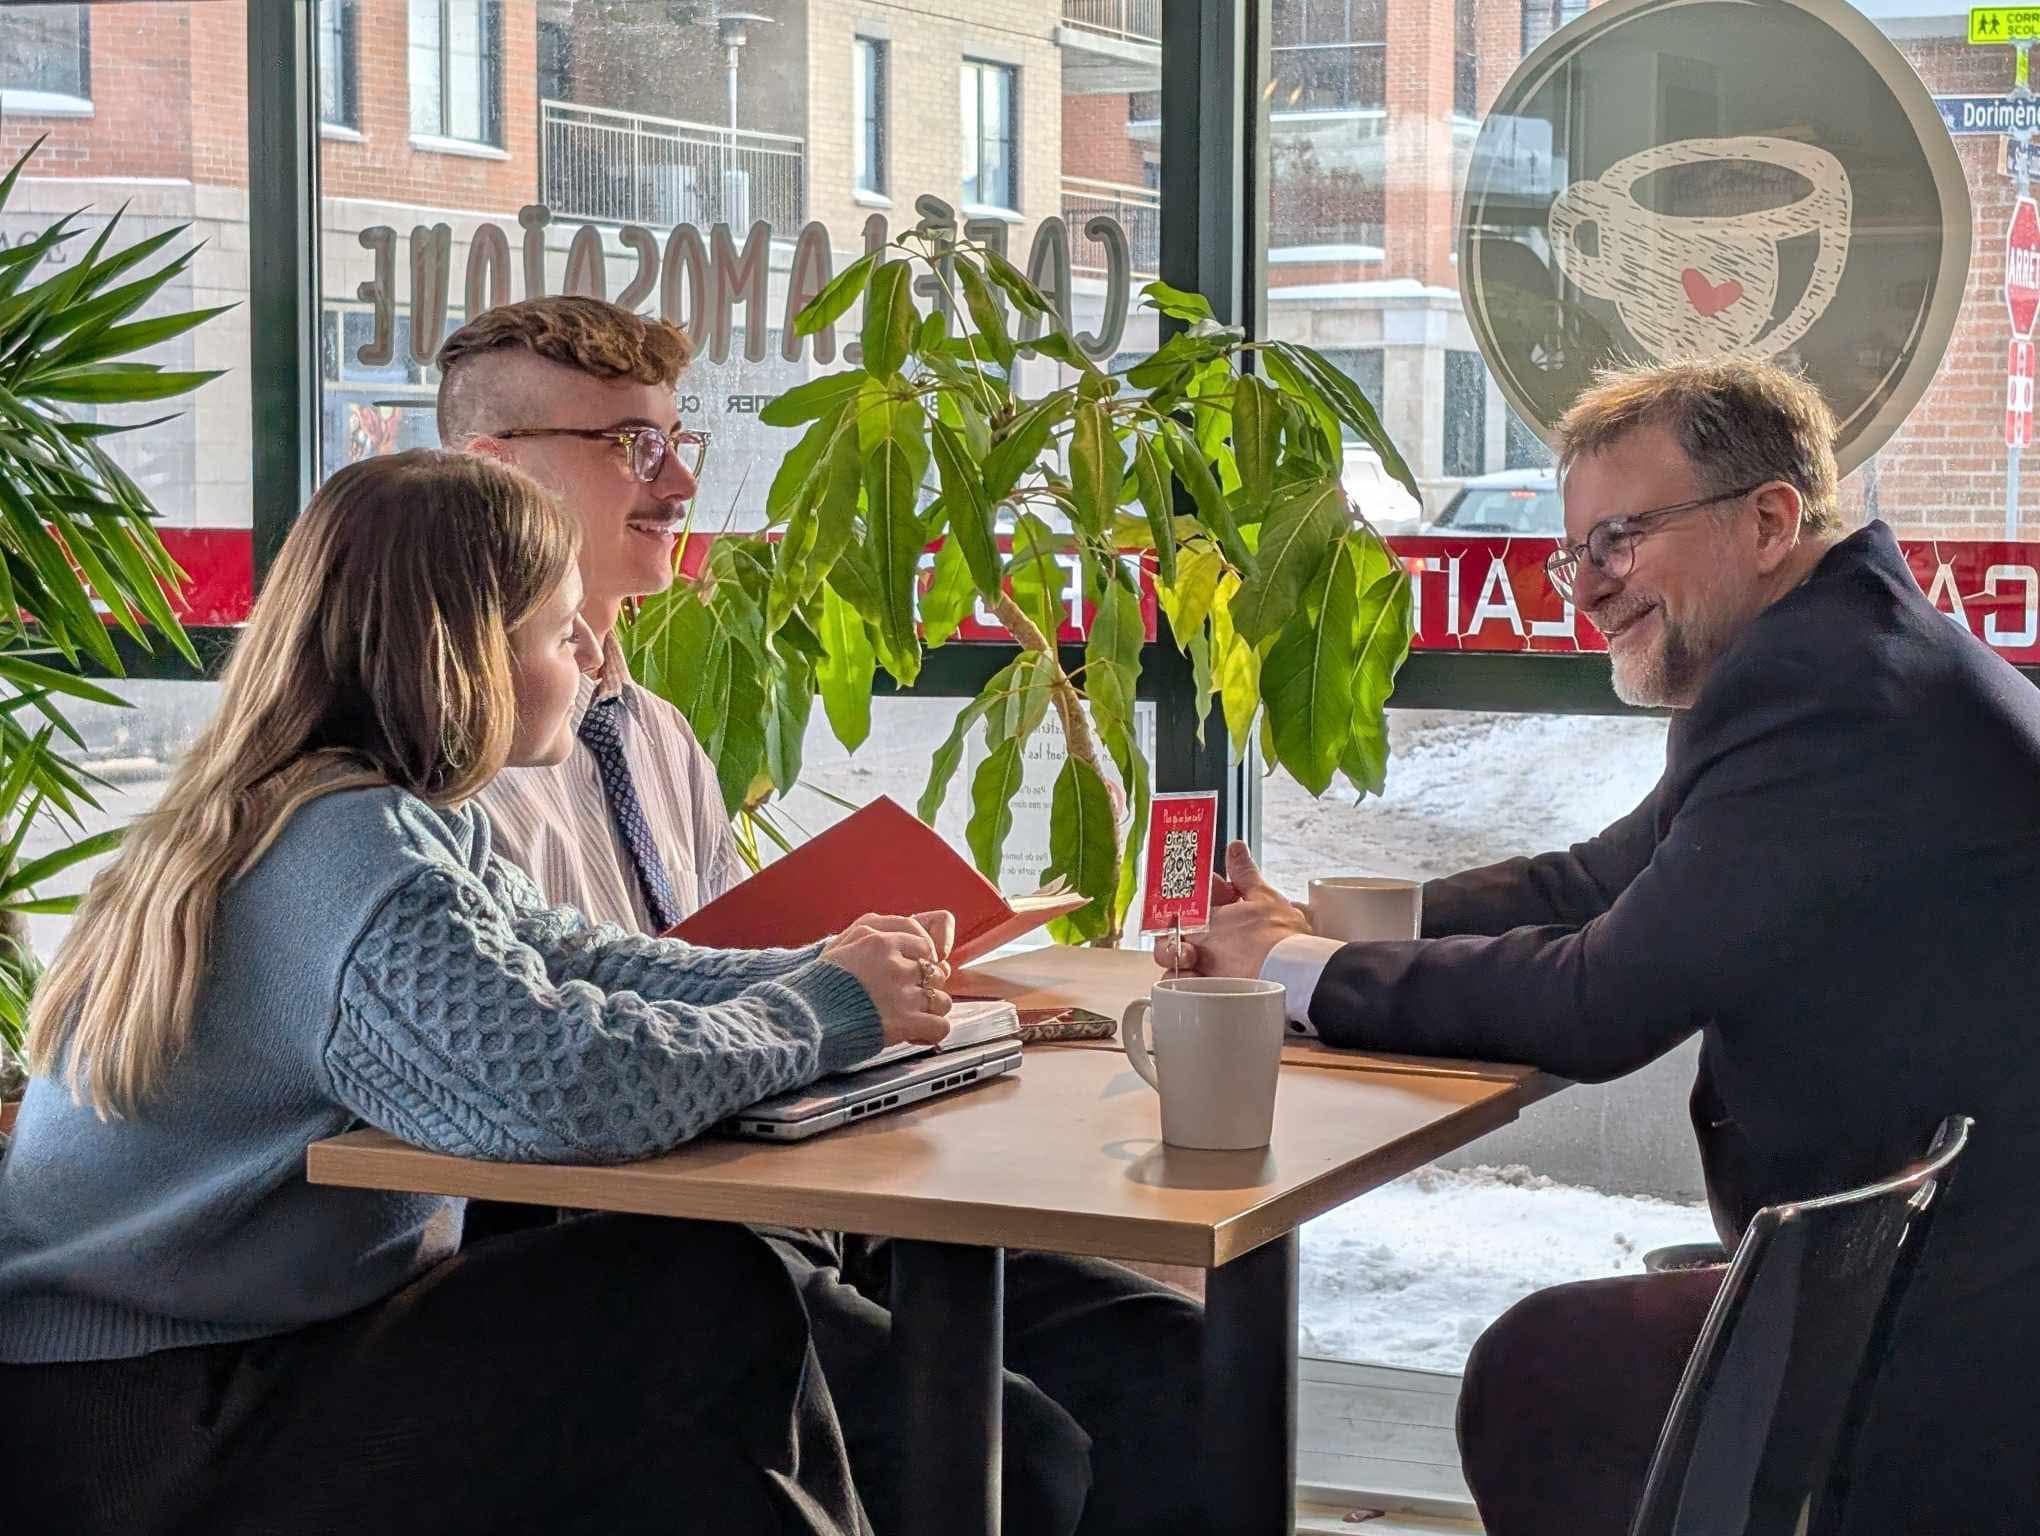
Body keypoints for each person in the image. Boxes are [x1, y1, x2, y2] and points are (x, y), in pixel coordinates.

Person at [0, 450, 961, 1535]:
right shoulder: (349, 850)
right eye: (561, 631)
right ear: (469, 659)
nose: (595, 654)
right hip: (157, 1427)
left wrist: (825, 968)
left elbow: (574, 959)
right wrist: (825, 1012)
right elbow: (565, 1083)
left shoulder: (319, 811)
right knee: (700, 1294)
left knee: (696, 1339)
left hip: (160, 1380)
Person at [1167, 358, 2040, 1533]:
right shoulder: (1839, 655)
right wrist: (1323, 929)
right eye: (1575, 550)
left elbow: (1598, 1004)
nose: (1586, 586)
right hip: (1954, 1261)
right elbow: (1598, 880)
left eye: (1620, 540)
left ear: (1771, 520)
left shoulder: (1832, 701)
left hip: (1970, 1337)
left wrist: (1287, 973)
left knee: (1545, 1376)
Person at [439, 296, 1208, 1536]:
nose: (680, 478)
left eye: (679, 439)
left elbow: (718, 964)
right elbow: (539, 1064)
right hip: (636, 1249)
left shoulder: (656, 732)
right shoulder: (444, 762)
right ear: (498, 473)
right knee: (1015, 1449)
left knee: (1180, 1366)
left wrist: (885, 984)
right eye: (632, 446)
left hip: (786, 1193)